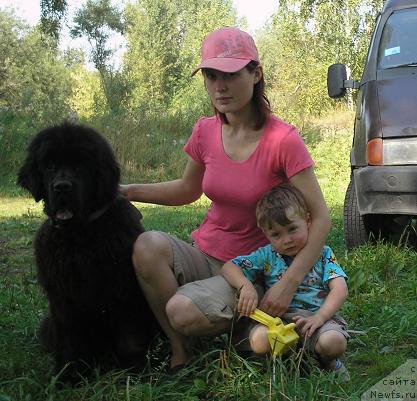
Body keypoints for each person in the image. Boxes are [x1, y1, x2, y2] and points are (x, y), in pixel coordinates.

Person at [119, 26, 331, 372]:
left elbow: (320, 218)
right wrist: (129, 191)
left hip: (253, 268)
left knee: (181, 310)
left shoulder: (283, 140)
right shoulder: (205, 130)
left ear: (255, 73)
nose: (219, 86)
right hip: (207, 253)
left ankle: (255, 325)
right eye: (210, 75)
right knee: (147, 246)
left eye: (230, 74)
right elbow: (188, 189)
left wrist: (288, 284)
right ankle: (181, 350)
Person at [221, 184, 349, 378]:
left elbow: (340, 290)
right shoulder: (267, 255)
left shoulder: (323, 254)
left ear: (307, 220)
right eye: (276, 234)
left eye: (292, 229)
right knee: (259, 339)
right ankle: (284, 361)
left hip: (316, 320)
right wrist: (245, 286)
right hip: (277, 323)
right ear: (265, 233)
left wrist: (320, 318)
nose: (287, 239)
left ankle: (328, 361)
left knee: (334, 342)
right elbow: (229, 266)